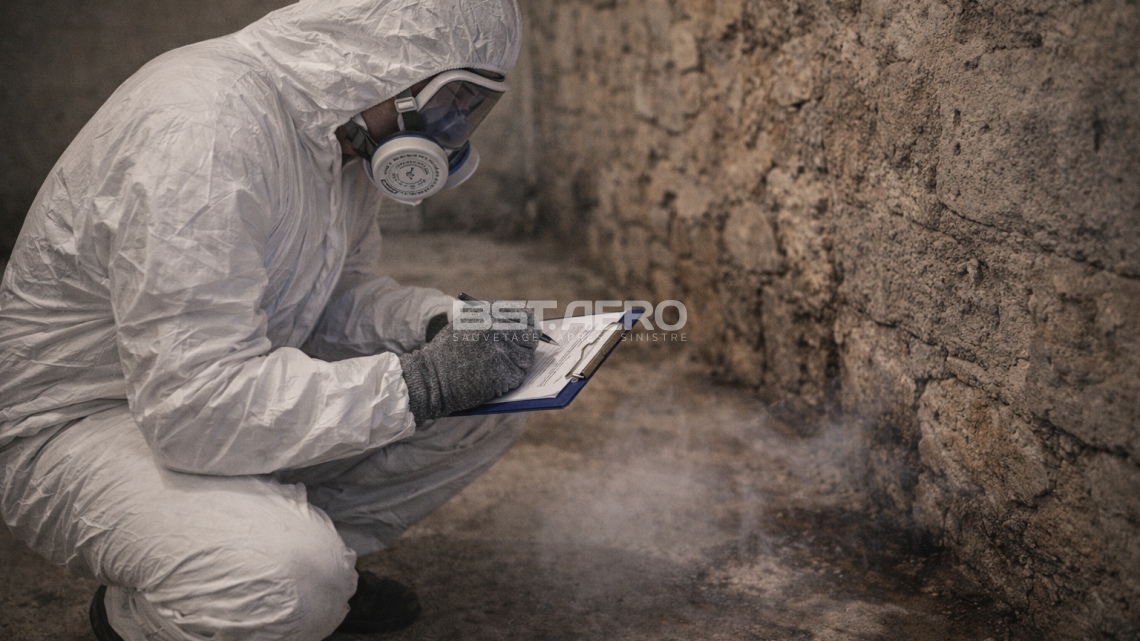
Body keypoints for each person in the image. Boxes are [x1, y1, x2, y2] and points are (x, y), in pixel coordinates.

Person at [0, 1, 539, 639]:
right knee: (283, 583)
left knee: (504, 393)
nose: (453, 129)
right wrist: (420, 385)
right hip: (82, 423)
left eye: (472, 107)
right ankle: (170, 607)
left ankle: (306, 563)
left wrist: (438, 323)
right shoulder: (202, 130)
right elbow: (193, 409)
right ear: (384, 61)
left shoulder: (342, 134)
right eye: (451, 99)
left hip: (211, 389)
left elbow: (331, 298)